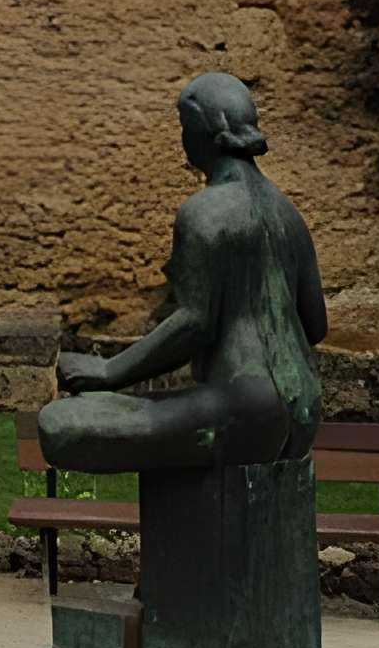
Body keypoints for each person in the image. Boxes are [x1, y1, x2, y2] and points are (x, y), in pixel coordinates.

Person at [38, 72, 326, 475]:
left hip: (243, 408)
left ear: (201, 134)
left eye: (183, 129)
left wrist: (108, 371)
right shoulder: (288, 214)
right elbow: (315, 324)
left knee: (59, 424)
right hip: (304, 412)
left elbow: (195, 323)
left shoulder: (204, 212)